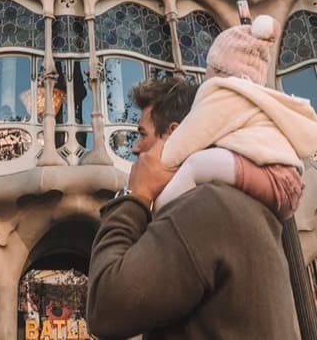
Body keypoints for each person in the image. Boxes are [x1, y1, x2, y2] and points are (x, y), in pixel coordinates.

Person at [87, 75, 299, 339]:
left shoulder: (202, 209)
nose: (136, 148)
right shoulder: (240, 205)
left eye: (142, 134)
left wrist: (135, 195)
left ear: (175, 135)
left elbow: (105, 306)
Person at [156, 15, 317, 218]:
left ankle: (157, 212)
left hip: (271, 179)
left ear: (219, 68)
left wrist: (161, 163)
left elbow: (191, 136)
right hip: (289, 185)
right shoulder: (256, 98)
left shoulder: (226, 92)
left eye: (210, 67)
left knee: (195, 165)